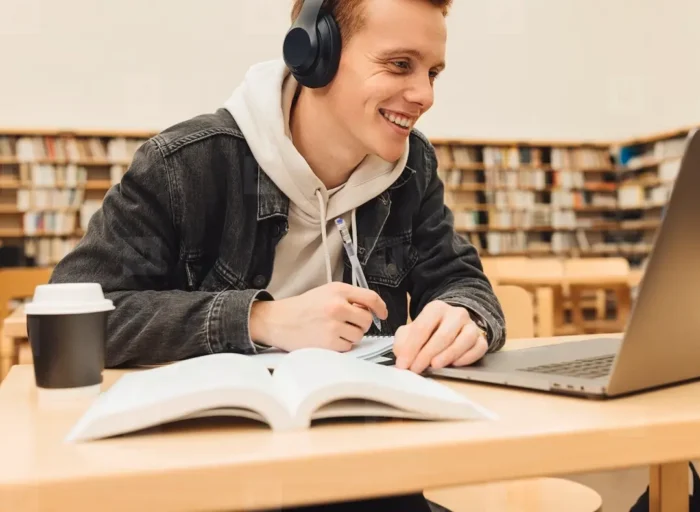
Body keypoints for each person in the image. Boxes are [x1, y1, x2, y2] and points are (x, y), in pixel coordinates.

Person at [51, 0, 505, 509]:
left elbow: (459, 277)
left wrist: (466, 314)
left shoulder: (412, 168)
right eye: (400, 65)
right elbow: (79, 315)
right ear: (314, 53)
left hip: (368, 479)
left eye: (433, 72)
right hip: (214, 485)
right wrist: (260, 320)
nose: (424, 95)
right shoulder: (187, 164)